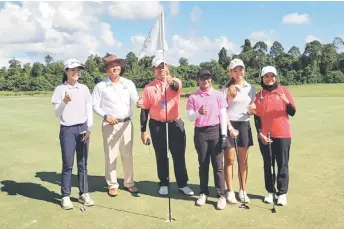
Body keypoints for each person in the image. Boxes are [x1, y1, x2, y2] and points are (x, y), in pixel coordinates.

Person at [138, 56, 194, 196]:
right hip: (157, 125)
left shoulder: (175, 82)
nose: (161, 69)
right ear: (153, 70)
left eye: (164, 66)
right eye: (158, 67)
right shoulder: (148, 88)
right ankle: (163, 182)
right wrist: (143, 131)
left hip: (175, 124)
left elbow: (176, 87)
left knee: (178, 155)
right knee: (161, 156)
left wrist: (169, 81)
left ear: (168, 68)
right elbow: (144, 110)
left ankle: (182, 184)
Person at [92, 54, 140, 197]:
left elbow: (136, 99)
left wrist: (140, 102)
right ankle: (112, 184)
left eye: (117, 65)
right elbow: (94, 105)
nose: (115, 68)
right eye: (111, 66)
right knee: (110, 154)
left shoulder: (128, 83)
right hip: (109, 124)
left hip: (126, 124)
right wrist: (105, 116)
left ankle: (129, 182)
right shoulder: (100, 86)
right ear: (106, 69)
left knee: (127, 154)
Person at [51, 58, 94, 210]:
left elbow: (89, 108)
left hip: (82, 128)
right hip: (67, 129)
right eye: (73, 70)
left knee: (83, 163)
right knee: (68, 164)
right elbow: (57, 113)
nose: (76, 72)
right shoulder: (60, 89)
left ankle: (84, 193)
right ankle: (65, 196)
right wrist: (64, 101)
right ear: (66, 71)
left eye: (78, 70)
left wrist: (89, 128)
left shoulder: (84, 88)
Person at [186, 69, 229, 210]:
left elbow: (223, 115)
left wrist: (224, 135)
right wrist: (198, 113)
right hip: (201, 133)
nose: (206, 80)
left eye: (208, 78)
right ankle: (203, 192)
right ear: (198, 80)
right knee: (203, 164)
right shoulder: (193, 97)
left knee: (218, 165)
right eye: (203, 78)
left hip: (215, 131)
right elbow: (190, 117)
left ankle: (221, 195)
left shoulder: (218, 95)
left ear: (211, 79)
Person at [253, 66, 296, 206]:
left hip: (283, 134)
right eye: (266, 76)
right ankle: (270, 192)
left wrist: (286, 101)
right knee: (268, 164)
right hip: (266, 136)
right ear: (262, 78)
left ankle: (282, 193)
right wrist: (260, 133)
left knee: (282, 164)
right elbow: (257, 117)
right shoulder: (259, 95)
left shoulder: (284, 92)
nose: (269, 78)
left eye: (272, 76)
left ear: (276, 77)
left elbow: (292, 111)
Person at [221, 58, 256, 204]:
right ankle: (230, 191)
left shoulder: (251, 87)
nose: (238, 72)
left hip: (244, 125)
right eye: (235, 70)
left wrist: (252, 111)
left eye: (240, 69)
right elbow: (222, 110)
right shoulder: (225, 88)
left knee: (243, 161)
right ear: (231, 72)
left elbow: (252, 108)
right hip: (229, 124)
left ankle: (242, 190)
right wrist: (229, 128)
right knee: (229, 160)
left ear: (244, 70)